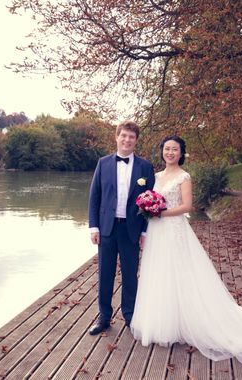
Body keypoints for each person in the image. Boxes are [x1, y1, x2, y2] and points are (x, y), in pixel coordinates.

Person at [130, 135, 242, 367]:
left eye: (175, 149)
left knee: (180, 272)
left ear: (181, 153)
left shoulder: (184, 176)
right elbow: (148, 201)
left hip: (174, 229)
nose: (170, 153)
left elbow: (187, 206)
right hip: (157, 231)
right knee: (159, 273)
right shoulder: (155, 176)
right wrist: (150, 211)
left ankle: (188, 322)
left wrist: (160, 213)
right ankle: (164, 323)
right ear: (162, 151)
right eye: (167, 149)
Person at [88, 121, 155, 335]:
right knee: (105, 275)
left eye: (131, 137)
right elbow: (94, 197)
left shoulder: (145, 167)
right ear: (117, 137)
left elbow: (150, 202)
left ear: (136, 140)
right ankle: (104, 318)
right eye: (123, 136)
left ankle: (130, 317)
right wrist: (93, 227)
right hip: (107, 228)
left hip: (131, 230)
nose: (127, 140)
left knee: (129, 275)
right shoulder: (103, 163)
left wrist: (145, 231)